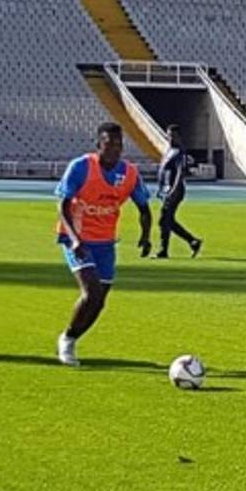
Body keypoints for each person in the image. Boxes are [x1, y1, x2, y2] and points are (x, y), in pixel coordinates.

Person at [55, 122, 153, 366]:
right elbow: (63, 205)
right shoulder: (81, 167)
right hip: (76, 238)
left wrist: (146, 236)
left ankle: (73, 336)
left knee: (99, 302)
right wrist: (75, 239)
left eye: (119, 145)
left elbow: (144, 207)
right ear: (99, 144)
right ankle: (67, 340)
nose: (114, 150)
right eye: (109, 145)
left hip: (105, 242)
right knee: (92, 293)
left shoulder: (129, 173)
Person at [155, 125, 203, 259]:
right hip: (167, 189)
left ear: (178, 136)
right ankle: (192, 242)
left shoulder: (179, 153)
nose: (170, 138)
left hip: (175, 191)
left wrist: (173, 190)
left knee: (164, 220)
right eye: (168, 135)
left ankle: (165, 250)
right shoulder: (169, 151)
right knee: (166, 220)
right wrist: (161, 189)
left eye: (173, 135)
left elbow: (180, 174)